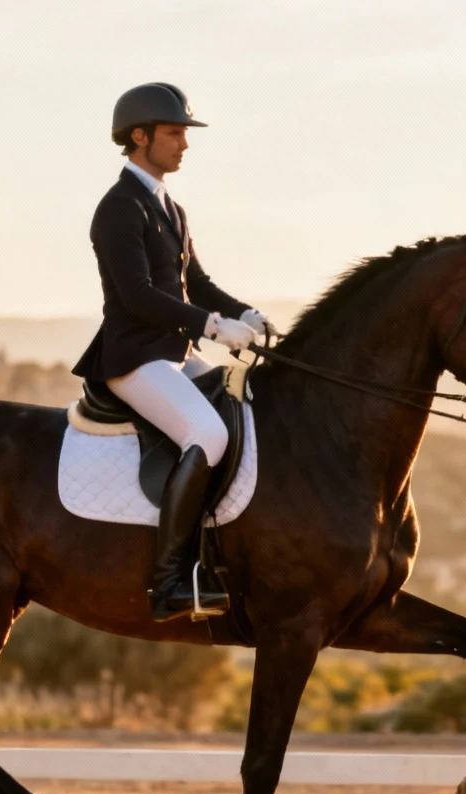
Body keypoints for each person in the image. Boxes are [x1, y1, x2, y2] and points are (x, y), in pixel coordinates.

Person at [72, 82, 275, 622]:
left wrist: (245, 313)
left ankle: (217, 553)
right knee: (207, 434)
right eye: (173, 133)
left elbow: (197, 283)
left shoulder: (170, 206)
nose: (184, 144)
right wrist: (213, 326)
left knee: (246, 410)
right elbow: (138, 296)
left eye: (184, 133)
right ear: (139, 137)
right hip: (134, 358)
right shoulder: (118, 208)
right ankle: (168, 583)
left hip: (175, 354)